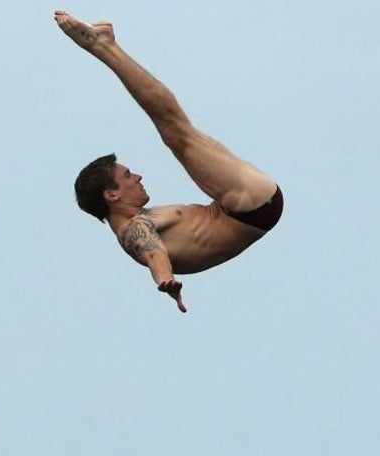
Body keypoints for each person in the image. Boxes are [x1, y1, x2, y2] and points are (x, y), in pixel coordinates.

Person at [56, 11, 283, 313]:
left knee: (176, 129)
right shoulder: (135, 231)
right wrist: (166, 281)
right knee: (174, 130)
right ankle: (104, 47)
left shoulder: (141, 220)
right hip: (249, 206)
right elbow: (154, 255)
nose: (137, 176)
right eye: (127, 176)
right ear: (112, 195)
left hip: (241, 206)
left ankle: (107, 46)